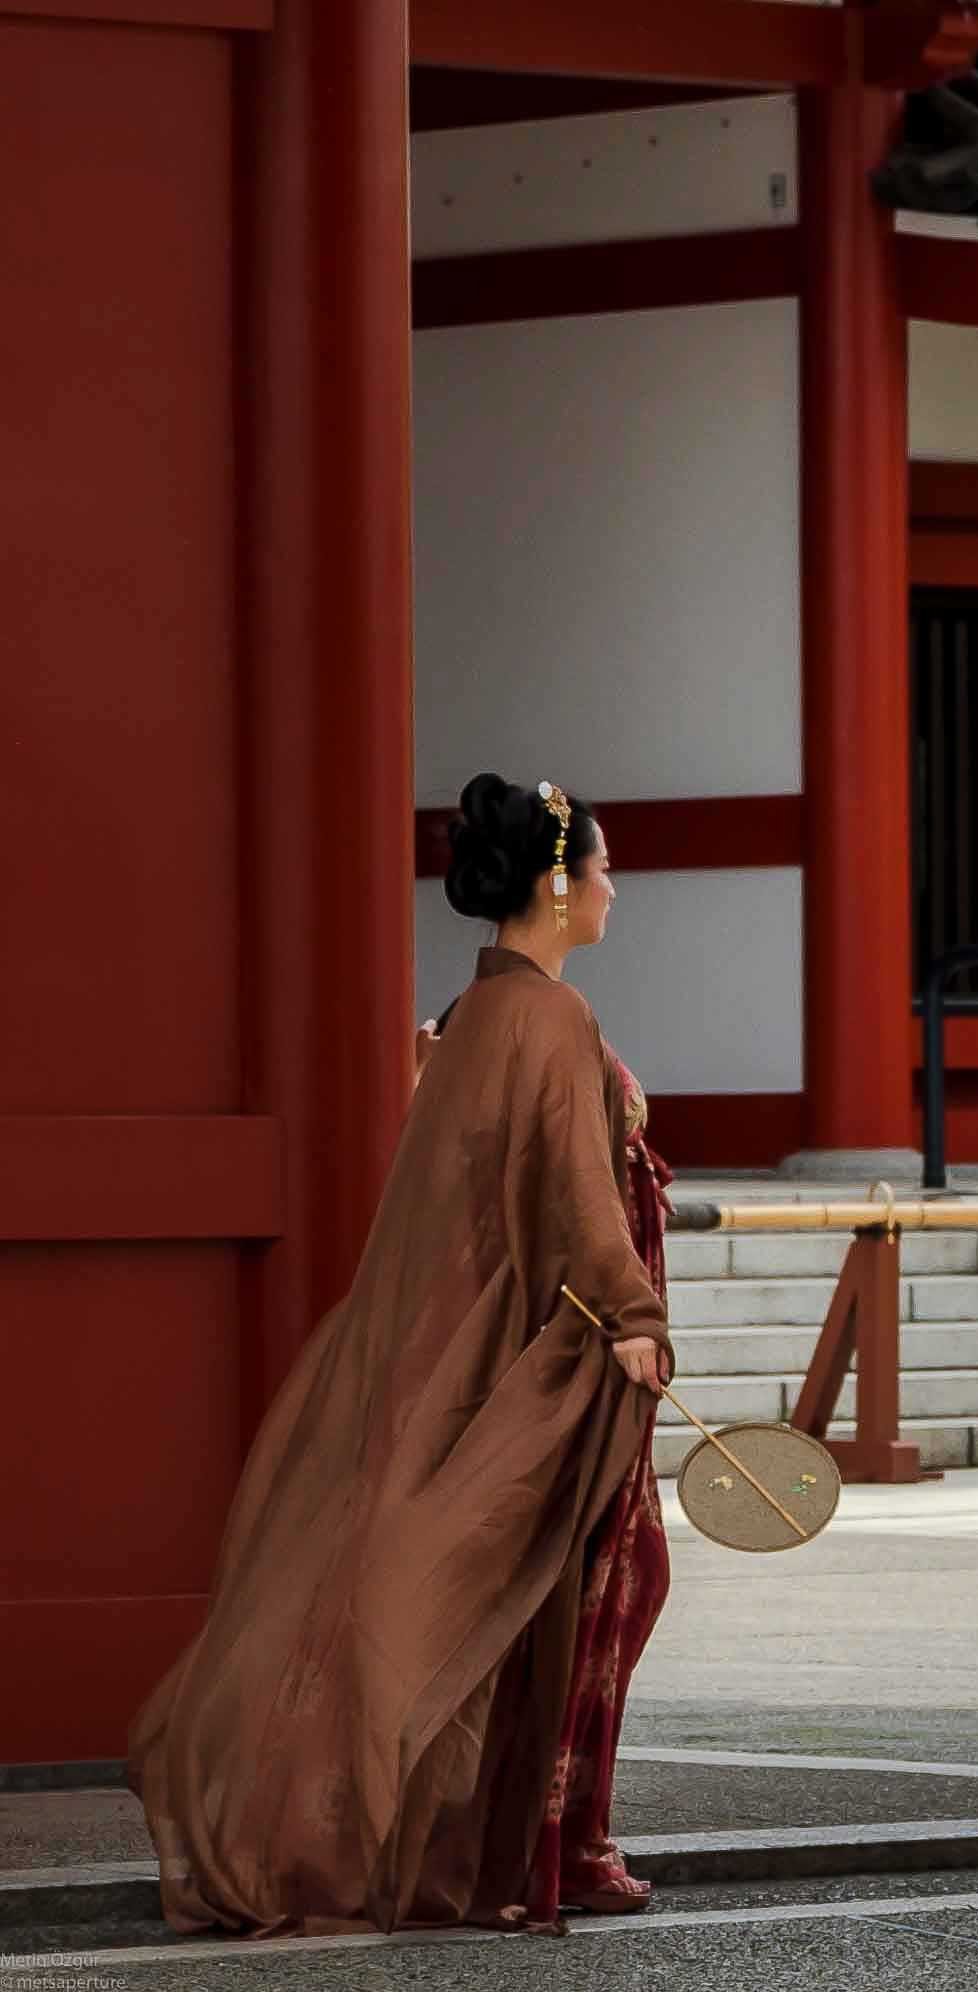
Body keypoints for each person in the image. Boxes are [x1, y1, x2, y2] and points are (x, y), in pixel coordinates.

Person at [126, 773, 674, 1938]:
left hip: (469, 1345)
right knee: (562, 1592)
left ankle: (510, 1840)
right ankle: (524, 1844)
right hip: (535, 1350)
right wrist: (634, 1318)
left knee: (478, 1584)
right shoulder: (550, 1020)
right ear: (560, 883)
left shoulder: (475, 1018)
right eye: (605, 869)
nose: (616, 890)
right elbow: (577, 1195)